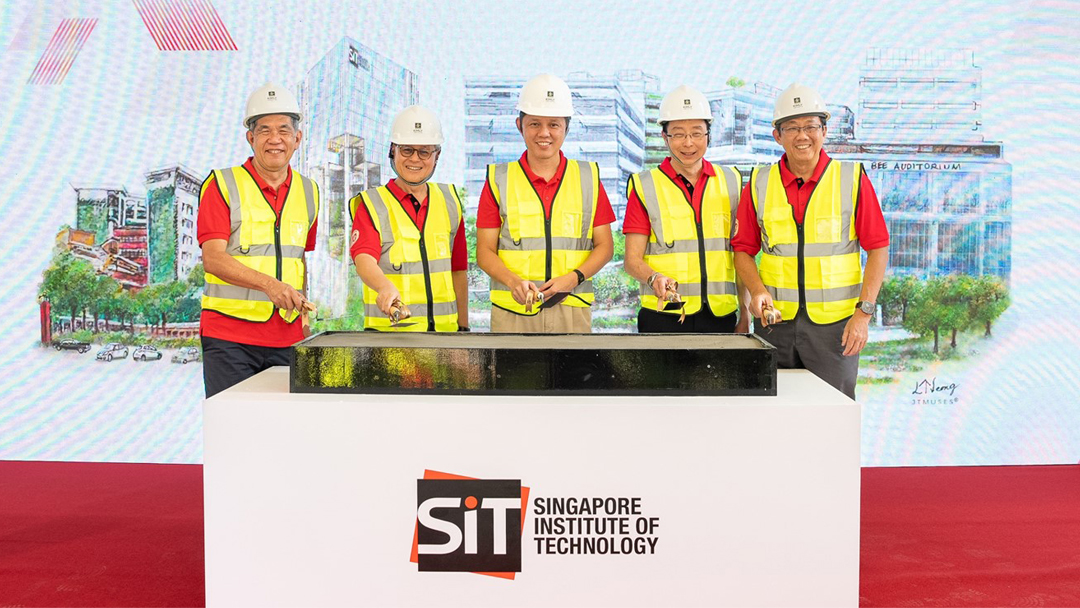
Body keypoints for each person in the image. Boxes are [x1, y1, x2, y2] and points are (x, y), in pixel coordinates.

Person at [732, 83, 889, 399]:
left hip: (836, 329)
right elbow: (742, 251)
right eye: (792, 128)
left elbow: (878, 249)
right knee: (773, 416)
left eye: (811, 127)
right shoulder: (759, 184)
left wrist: (863, 315)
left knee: (834, 417)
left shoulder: (852, 180)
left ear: (824, 130)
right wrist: (758, 291)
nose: (802, 136)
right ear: (778, 135)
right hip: (774, 324)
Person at [197, 83, 319, 398]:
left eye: (283, 130)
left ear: (297, 138)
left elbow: (299, 259)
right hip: (229, 339)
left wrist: (303, 320)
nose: (274, 139)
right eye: (264, 130)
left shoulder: (310, 192)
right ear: (250, 138)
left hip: (288, 338)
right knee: (234, 433)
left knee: (282, 434)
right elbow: (213, 258)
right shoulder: (221, 185)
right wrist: (270, 285)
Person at [475, 73, 615, 333]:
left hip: (572, 307)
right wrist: (513, 282)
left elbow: (605, 246)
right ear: (520, 125)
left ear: (566, 128)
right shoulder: (498, 180)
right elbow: (484, 251)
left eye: (554, 124)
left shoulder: (589, 178)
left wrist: (573, 279)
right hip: (513, 312)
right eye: (534, 124)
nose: (544, 133)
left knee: (572, 375)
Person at [623, 85, 750, 333]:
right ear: (664, 137)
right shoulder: (644, 186)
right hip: (663, 314)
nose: (688, 143)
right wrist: (653, 278)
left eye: (697, 133)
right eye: (678, 134)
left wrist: (745, 316)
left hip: (720, 316)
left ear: (708, 135)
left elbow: (740, 256)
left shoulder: (732, 182)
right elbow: (631, 260)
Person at [349, 105, 468, 332]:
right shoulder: (371, 204)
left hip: (445, 339)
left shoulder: (450, 201)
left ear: (437, 156)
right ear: (392, 150)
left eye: (424, 151)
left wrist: (463, 327)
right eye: (406, 150)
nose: (415, 159)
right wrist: (384, 287)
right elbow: (363, 259)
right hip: (389, 342)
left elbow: (458, 270)